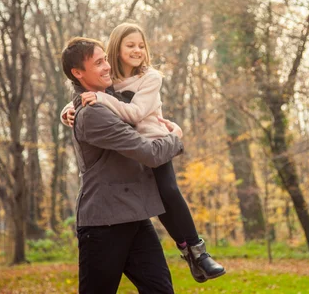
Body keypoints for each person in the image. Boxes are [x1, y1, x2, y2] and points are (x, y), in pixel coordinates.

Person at [62, 23, 225, 283]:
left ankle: (196, 251)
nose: (137, 50)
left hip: (150, 155)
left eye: (141, 45)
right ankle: (192, 251)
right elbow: (88, 98)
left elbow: (129, 111)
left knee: (168, 192)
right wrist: (68, 110)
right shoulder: (102, 95)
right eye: (130, 45)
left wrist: (174, 136)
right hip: (107, 218)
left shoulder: (148, 78)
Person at [62, 37, 183, 294]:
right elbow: (148, 152)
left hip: (134, 217)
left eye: (105, 58)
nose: (107, 66)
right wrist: (176, 138)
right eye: (98, 63)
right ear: (78, 73)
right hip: (103, 224)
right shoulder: (94, 114)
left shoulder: (105, 99)